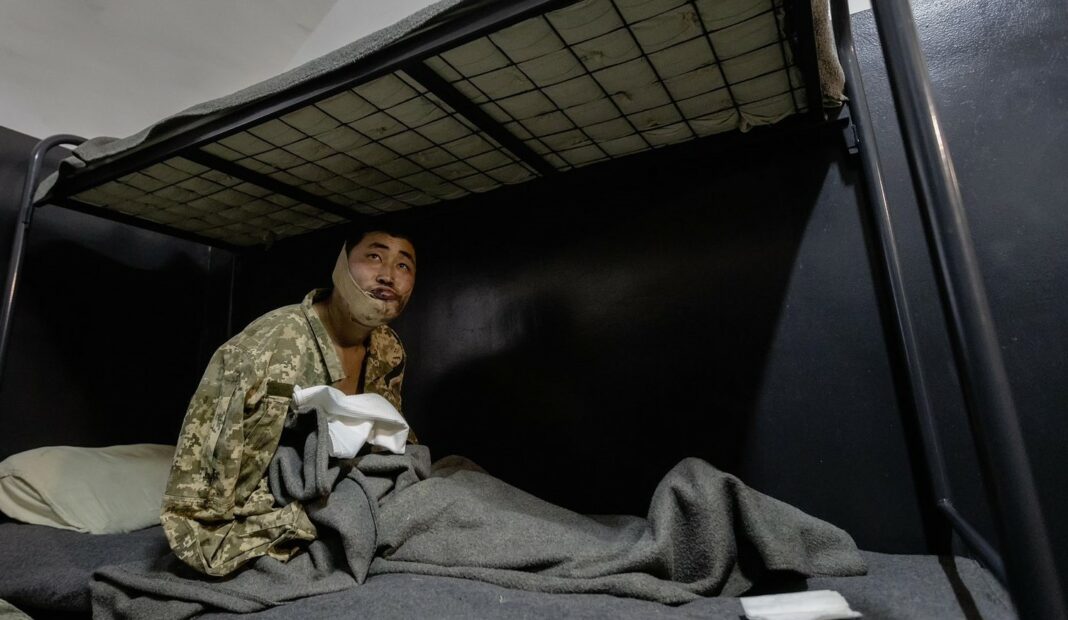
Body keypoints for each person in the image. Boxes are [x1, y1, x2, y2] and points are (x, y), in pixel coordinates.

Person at [160, 228, 417, 576]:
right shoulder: (260, 349)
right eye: (374, 256)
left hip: (352, 492)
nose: (388, 274)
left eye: (403, 265)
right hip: (273, 512)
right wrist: (302, 520)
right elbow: (196, 509)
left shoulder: (389, 349)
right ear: (342, 264)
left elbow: (389, 445)